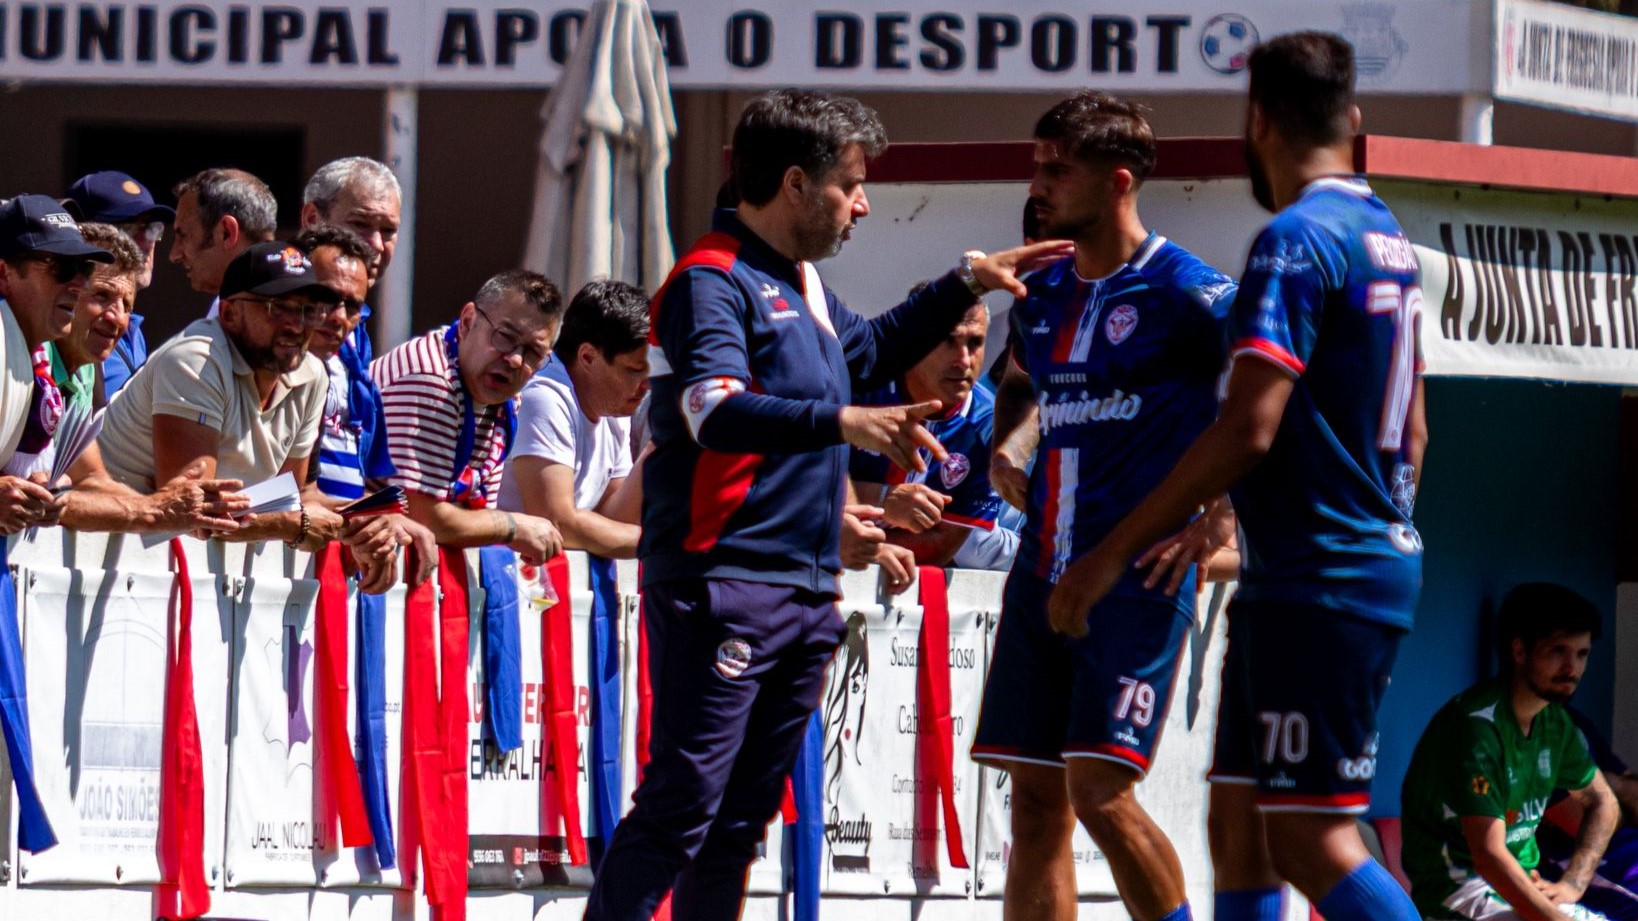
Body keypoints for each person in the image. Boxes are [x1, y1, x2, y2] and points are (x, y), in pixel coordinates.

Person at [582, 87, 1066, 921]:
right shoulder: (710, 280)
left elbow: (867, 349)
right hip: (722, 578)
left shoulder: (799, 280)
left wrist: (961, 286)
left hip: (802, 590)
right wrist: (843, 421)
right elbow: (710, 409)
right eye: (852, 183)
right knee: (681, 809)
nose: (865, 204)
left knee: (736, 825)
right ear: (796, 184)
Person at [1045, 34, 1429, 921]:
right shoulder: (1388, 237)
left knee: (1309, 836)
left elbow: (1246, 429)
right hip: (1319, 570)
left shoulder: (1294, 241)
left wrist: (1109, 555)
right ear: (1354, 120)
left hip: (1319, 575)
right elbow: (1412, 426)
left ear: (1257, 121)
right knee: (1239, 822)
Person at [967, 91, 1237, 921]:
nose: (1038, 182)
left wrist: (1220, 515)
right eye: (1036, 164)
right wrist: (1007, 443)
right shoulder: (1040, 287)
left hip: (1133, 579)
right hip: (1039, 571)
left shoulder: (1191, 293)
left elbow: (1270, 408)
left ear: (1118, 183)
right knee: (1034, 805)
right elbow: (1017, 382)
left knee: (1099, 790)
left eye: (1059, 168)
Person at [96, 242, 403, 589]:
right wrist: (295, 524)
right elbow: (194, 511)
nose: (296, 325)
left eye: (306, 310)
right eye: (278, 307)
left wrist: (362, 523)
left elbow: (292, 496)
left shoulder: (312, 374)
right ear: (228, 314)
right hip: (96, 561)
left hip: (155, 571)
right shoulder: (195, 360)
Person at [1402, 583, 1622, 921]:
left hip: (1522, 888)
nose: (1572, 669)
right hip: (1458, 896)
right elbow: (1488, 856)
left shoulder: (1554, 722)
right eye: (1558, 651)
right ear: (1519, 651)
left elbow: (1603, 802)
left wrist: (1573, 885)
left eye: (1582, 654)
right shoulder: (1475, 726)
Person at [370, 270, 566, 564]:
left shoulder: (505, 400)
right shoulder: (431, 381)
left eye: (533, 353)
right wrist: (513, 526)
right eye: (505, 337)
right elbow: (425, 516)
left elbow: (474, 517)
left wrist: (499, 527)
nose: (514, 359)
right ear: (467, 322)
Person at [293, 224, 436, 585]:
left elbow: (361, 485)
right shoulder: (265, 366)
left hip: (332, 559)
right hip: (269, 561)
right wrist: (369, 519)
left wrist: (381, 519)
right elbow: (285, 494)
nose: (340, 317)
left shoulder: (352, 372)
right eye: (324, 298)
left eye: (353, 306)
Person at [849, 297, 1017, 571]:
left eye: (975, 343)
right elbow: (795, 488)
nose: (963, 360)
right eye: (948, 342)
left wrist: (870, 547)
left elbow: (944, 543)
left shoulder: (990, 424)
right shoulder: (857, 387)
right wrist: (882, 499)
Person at [497, 278, 648, 559]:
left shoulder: (614, 407)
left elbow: (615, 519)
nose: (647, 384)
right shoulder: (544, 397)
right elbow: (557, 522)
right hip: (494, 584)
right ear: (588, 357)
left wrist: (664, 440)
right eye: (634, 370)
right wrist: (664, 543)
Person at [0, 194, 111, 532]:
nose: (79, 285)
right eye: (60, 268)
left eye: (84, 269)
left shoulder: (29, 349)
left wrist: (40, 488)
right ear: (4, 273)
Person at [61, 170, 174, 397]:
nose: (145, 242)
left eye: (152, 228)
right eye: (128, 229)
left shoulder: (129, 327)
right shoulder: (46, 339)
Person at [170, 168, 277, 300]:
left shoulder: (282, 314)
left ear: (227, 232)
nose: (174, 255)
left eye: (183, 235)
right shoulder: (230, 304)